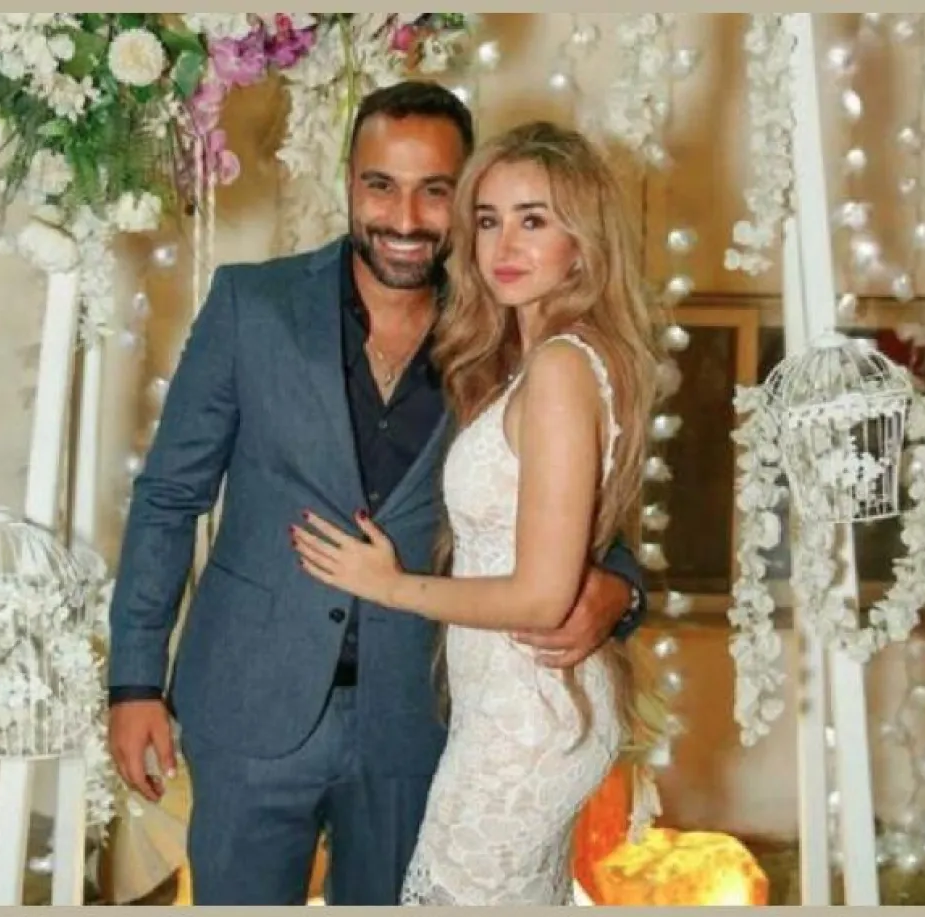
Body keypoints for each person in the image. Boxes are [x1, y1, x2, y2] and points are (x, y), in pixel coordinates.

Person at [106, 81, 648, 906]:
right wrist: (135, 682)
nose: (404, 216)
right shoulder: (252, 304)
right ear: (348, 183)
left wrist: (621, 588)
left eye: (435, 191)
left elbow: (576, 506)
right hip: (251, 702)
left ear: (463, 196)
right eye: (381, 185)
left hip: (419, 719)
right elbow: (170, 496)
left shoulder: (506, 331)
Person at [290, 120, 667, 905]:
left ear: (583, 243)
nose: (505, 244)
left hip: (528, 717)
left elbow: (541, 594)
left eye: (535, 220)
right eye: (489, 220)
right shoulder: (534, 362)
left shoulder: (560, 367)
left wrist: (388, 585)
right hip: (512, 707)